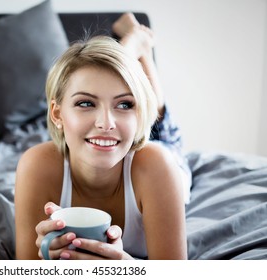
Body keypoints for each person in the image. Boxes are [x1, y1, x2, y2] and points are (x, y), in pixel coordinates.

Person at [14, 13, 191, 260]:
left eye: (125, 104)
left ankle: (138, 44)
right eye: (86, 103)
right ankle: (133, 49)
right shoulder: (36, 165)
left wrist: (124, 268)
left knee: (161, 123)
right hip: (124, 139)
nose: (106, 123)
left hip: (159, 150)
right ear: (56, 113)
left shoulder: (159, 166)